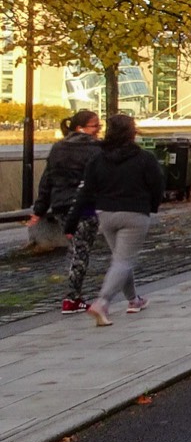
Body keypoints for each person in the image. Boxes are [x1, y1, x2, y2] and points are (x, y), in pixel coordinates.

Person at [63, 114, 164, 327]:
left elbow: (85, 191)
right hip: (135, 214)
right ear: (131, 132)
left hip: (105, 214)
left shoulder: (97, 159)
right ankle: (102, 301)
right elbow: (157, 185)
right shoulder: (145, 158)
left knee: (121, 259)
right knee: (123, 261)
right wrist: (151, 207)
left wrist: (71, 222)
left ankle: (134, 300)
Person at [28, 110, 102, 313]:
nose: (98, 130)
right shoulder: (95, 149)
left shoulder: (58, 148)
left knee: (77, 248)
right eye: (95, 126)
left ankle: (74, 297)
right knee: (81, 250)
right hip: (84, 204)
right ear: (81, 128)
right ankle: (72, 298)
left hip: (60, 205)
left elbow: (47, 179)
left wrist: (40, 209)